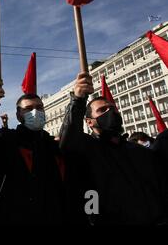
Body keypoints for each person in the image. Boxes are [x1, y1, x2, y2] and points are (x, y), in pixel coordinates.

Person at [59, 72, 168, 224]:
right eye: (102, 110)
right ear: (89, 122)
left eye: (112, 108)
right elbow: (68, 138)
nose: (110, 112)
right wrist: (78, 99)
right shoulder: (87, 151)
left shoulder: (140, 152)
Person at [0, 79, 68, 224]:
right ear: (18, 116)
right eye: (28, 109)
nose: (35, 111)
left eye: (39, 107)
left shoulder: (52, 145)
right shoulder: (7, 140)